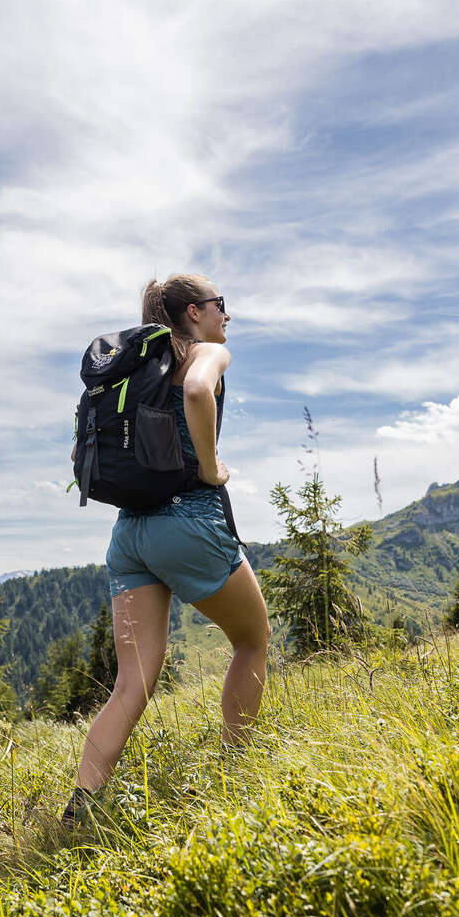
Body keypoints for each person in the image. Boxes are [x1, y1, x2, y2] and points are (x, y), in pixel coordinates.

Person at [63, 275, 269, 826]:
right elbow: (199, 391)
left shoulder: (138, 366)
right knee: (253, 640)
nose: (228, 317)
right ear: (196, 311)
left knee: (132, 682)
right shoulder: (208, 352)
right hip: (188, 520)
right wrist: (208, 467)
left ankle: (81, 808)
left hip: (130, 534)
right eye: (222, 305)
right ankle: (237, 770)